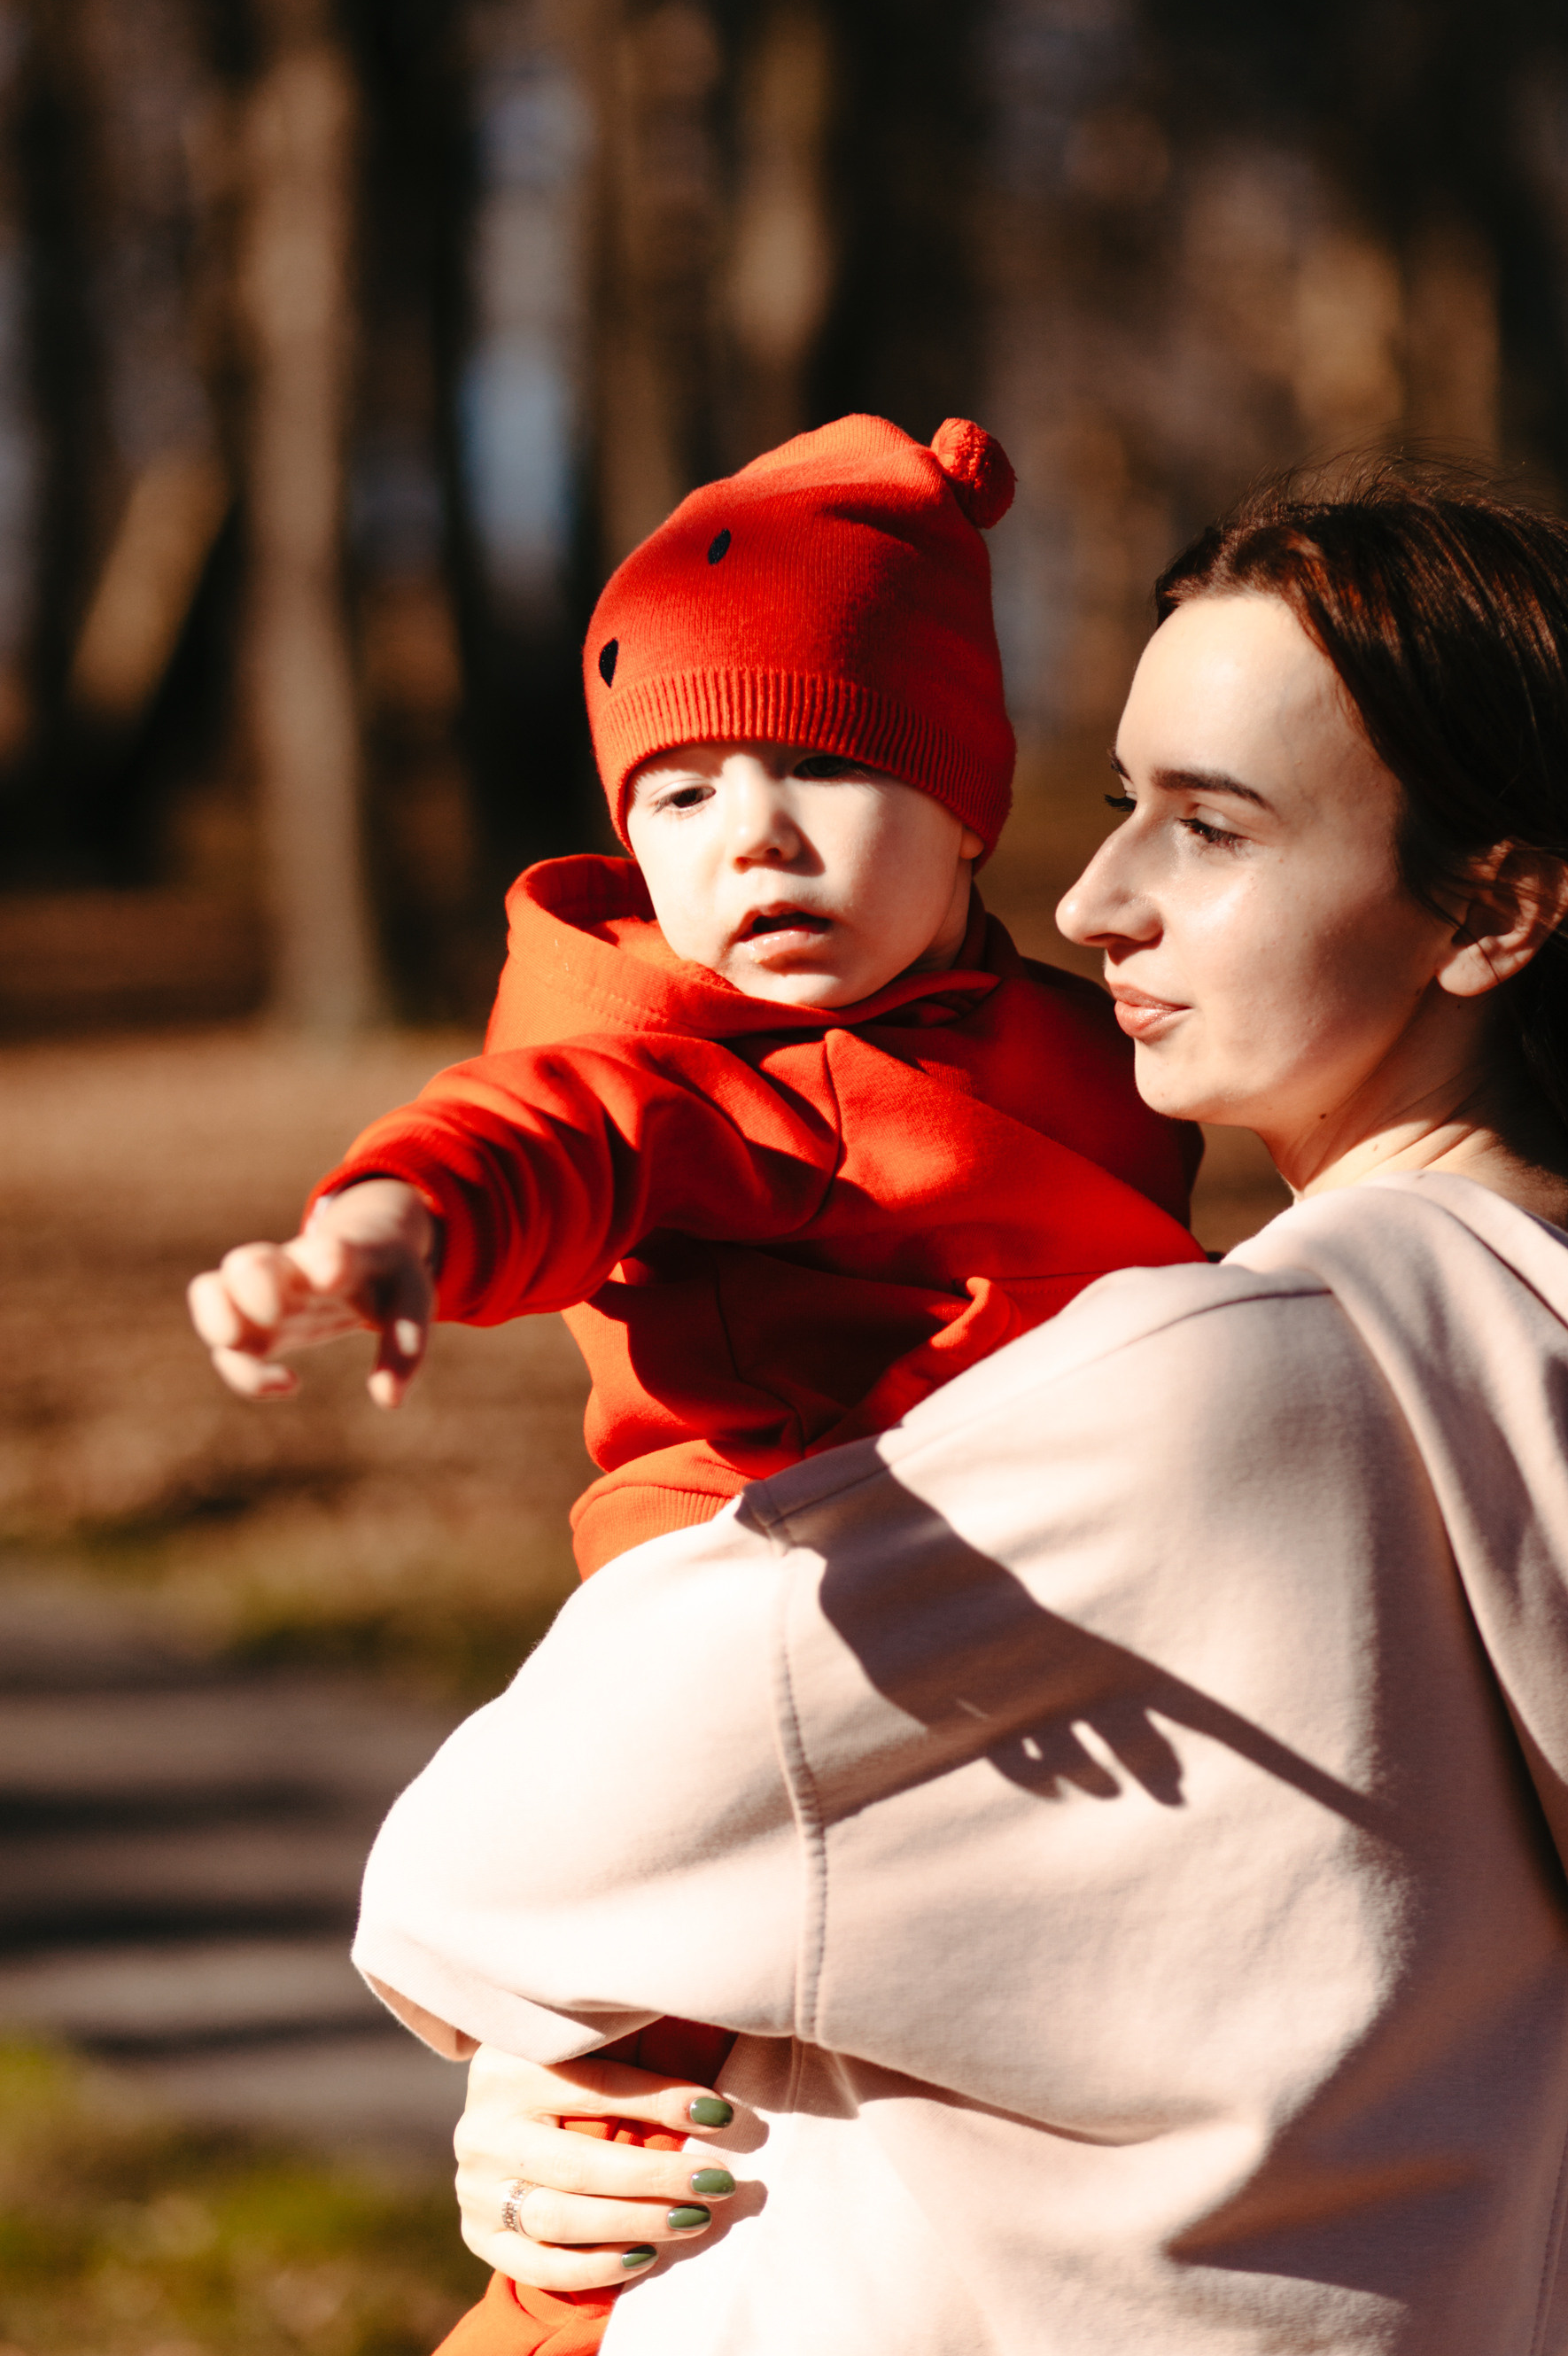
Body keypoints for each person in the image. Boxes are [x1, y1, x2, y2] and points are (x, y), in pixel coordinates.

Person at [352, 475, 1568, 2355]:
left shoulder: (1204, 1401)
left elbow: (480, 1872)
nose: (1096, 904)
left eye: (1211, 826)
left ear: (1495, 907)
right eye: (1120, 807)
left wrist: (545, 2085)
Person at [186, 411, 1203, 2353]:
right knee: (630, 2137)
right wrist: (386, 1229)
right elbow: (543, 1132)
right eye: (680, 791)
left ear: (968, 802)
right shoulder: (697, 1067)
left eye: (826, 764)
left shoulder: (1087, 1049)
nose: (752, 836)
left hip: (1049, 1622)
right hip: (756, 1614)